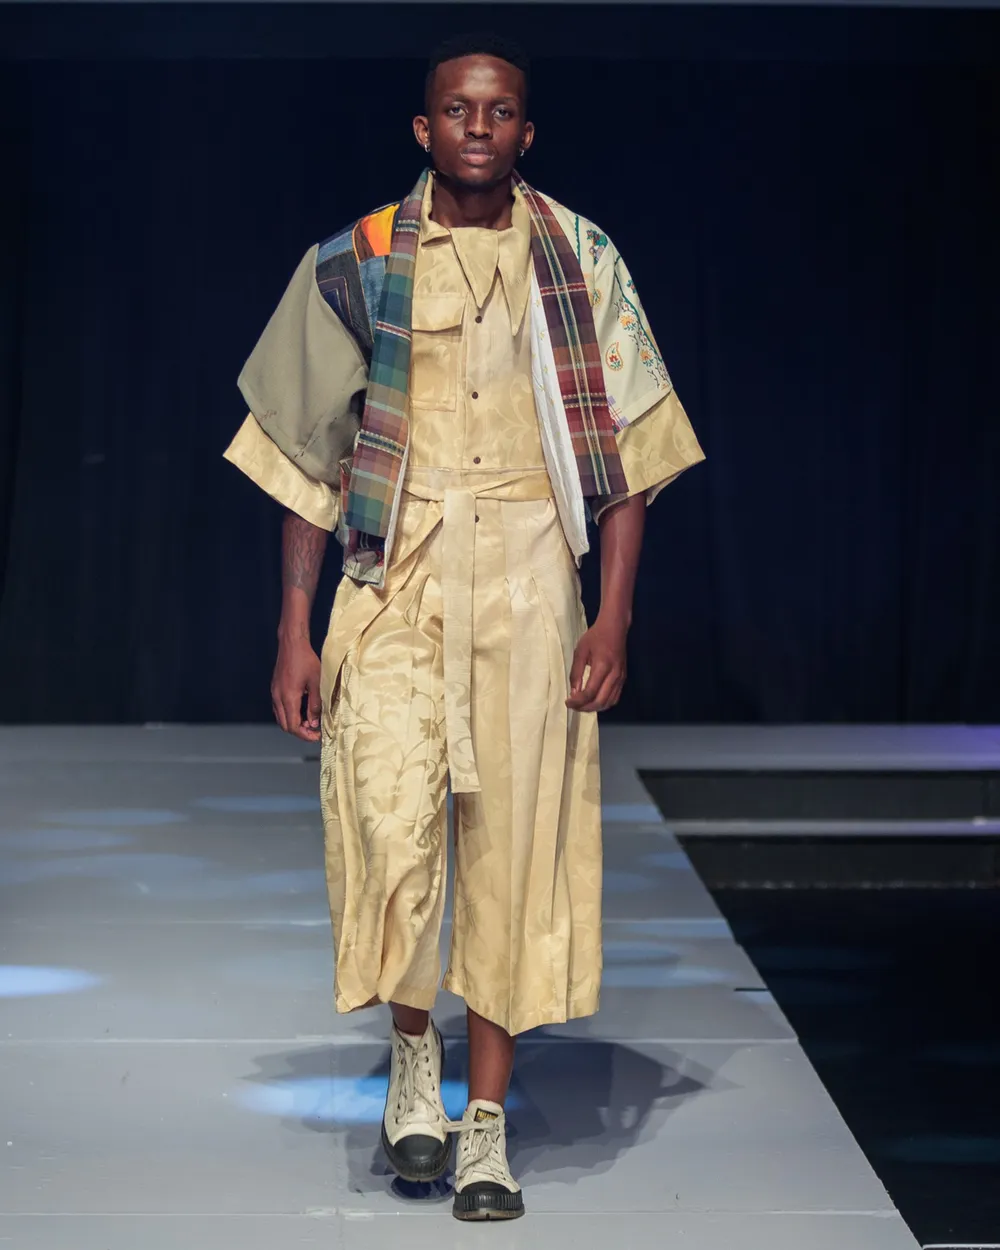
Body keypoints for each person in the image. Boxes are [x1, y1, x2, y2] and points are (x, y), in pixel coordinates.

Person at [224, 31, 704, 1222]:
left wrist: (613, 616)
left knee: (511, 846)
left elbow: (629, 461)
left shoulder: (581, 256)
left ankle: (485, 1122)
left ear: (525, 131)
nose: (477, 126)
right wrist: (294, 629)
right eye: (456, 109)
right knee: (390, 826)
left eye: (498, 110)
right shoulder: (355, 259)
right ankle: (410, 1060)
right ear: (423, 127)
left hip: (532, 576)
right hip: (393, 570)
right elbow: (307, 461)